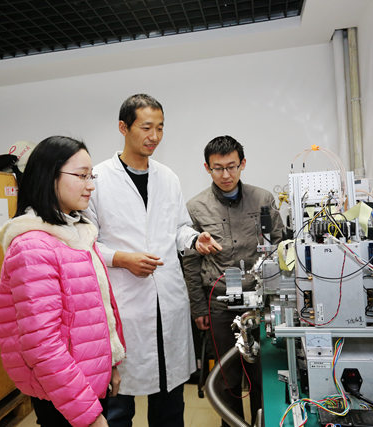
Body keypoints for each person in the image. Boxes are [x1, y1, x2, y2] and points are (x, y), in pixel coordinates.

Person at [85, 94, 221, 427]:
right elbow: (85, 242)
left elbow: (178, 228)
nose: (154, 136)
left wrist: (194, 239)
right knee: (119, 405)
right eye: (146, 127)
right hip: (124, 303)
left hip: (167, 302)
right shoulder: (98, 179)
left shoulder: (167, 177)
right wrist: (121, 258)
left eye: (160, 128)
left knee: (170, 401)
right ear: (123, 127)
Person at [0, 136, 126, 427]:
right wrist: (89, 415)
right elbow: (43, 346)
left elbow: (99, 311)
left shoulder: (78, 234)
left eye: (91, 176)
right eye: (81, 176)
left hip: (89, 381)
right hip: (63, 395)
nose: (90, 186)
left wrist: (112, 364)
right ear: (48, 177)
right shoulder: (32, 248)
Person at [182, 135, 284, 426]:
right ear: (207, 168)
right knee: (228, 377)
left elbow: (280, 247)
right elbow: (191, 262)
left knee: (262, 374)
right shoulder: (196, 207)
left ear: (243, 164)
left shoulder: (263, 199)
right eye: (218, 168)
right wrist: (198, 308)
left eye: (231, 166)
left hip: (261, 302)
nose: (225, 175)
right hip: (220, 303)